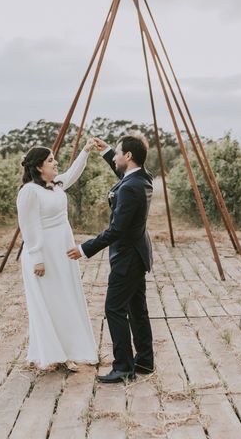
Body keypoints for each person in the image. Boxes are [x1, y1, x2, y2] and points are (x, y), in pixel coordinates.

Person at [67, 134, 154, 383]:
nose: (115, 157)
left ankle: (124, 366)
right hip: (138, 255)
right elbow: (124, 179)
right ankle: (145, 361)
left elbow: (117, 230)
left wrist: (84, 249)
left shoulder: (131, 187)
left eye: (117, 153)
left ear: (128, 156)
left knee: (114, 309)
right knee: (137, 309)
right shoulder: (142, 178)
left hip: (126, 257)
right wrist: (106, 151)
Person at [16, 138, 99, 371]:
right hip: (43, 253)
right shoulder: (29, 192)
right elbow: (29, 227)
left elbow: (73, 173)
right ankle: (50, 354)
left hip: (62, 249)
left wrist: (85, 151)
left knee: (65, 299)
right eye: (50, 160)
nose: (56, 163)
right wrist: (38, 258)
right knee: (47, 302)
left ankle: (68, 351)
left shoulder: (57, 185)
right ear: (39, 167)